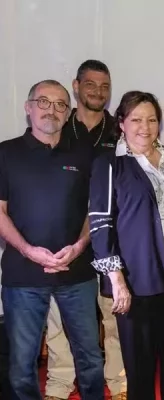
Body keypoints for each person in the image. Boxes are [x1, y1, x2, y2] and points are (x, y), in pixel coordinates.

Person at [0, 79, 104, 399]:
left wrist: (80, 246)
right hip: (23, 275)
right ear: (28, 107)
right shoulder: (5, 153)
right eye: (43, 102)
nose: (52, 110)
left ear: (68, 112)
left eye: (60, 104)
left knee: (91, 359)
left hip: (77, 273)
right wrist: (28, 250)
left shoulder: (84, 154)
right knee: (22, 365)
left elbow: (96, 209)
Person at [88, 91, 164, 400]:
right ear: (121, 123)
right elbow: (101, 223)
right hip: (136, 280)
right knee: (140, 369)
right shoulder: (110, 163)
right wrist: (117, 280)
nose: (144, 127)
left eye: (151, 120)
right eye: (136, 119)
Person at [45, 59, 126, 400]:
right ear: (76, 86)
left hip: (111, 238)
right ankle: (59, 383)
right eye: (90, 84)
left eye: (104, 86)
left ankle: (119, 383)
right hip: (66, 239)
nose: (98, 91)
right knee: (59, 317)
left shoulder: (119, 132)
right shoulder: (58, 129)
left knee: (114, 315)